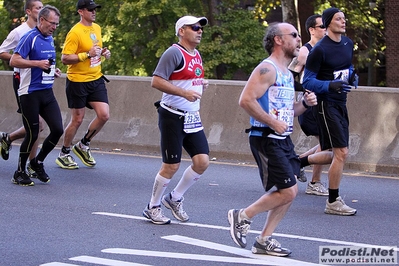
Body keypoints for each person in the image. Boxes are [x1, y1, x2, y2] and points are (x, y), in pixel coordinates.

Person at [228, 22, 331, 257]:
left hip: (282, 139)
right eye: (293, 35)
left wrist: (304, 104)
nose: (298, 39)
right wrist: (272, 122)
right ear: (278, 40)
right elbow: (246, 100)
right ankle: (242, 215)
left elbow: (286, 112)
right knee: (289, 191)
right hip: (266, 137)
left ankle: (264, 239)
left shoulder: (285, 73)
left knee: (289, 190)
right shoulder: (268, 69)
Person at [142, 15, 209, 225]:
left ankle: (174, 198)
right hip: (172, 115)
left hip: (192, 117)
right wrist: (183, 93)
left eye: (201, 28)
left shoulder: (196, 54)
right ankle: (152, 207)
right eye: (195, 27)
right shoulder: (173, 52)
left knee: (202, 161)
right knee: (171, 165)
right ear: (182, 31)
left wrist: (199, 84)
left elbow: (187, 79)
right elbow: (156, 81)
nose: (200, 31)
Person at [302, 7, 358, 215]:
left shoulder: (348, 43)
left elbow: (347, 67)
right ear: (327, 23)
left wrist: (352, 76)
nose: (343, 22)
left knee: (334, 153)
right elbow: (307, 80)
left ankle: (296, 162)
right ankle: (333, 202)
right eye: (338, 19)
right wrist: (329, 86)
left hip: (341, 102)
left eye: (344, 18)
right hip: (325, 104)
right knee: (341, 152)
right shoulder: (320, 50)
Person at [9, 4, 63, 186]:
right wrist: (37, 64)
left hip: (46, 92)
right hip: (29, 93)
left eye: (57, 24)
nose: (54, 27)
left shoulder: (50, 38)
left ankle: (37, 162)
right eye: (52, 23)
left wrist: (53, 70)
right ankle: (19, 172)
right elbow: (14, 60)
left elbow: (46, 62)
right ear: (41, 20)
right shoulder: (29, 37)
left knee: (57, 129)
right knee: (32, 132)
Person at [55, 0, 111, 170]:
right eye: (90, 9)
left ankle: (83, 144)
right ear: (81, 11)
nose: (94, 12)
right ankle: (64, 153)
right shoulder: (75, 32)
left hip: (96, 78)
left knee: (104, 115)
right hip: (77, 81)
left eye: (95, 9)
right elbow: (65, 58)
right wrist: (86, 54)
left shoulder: (97, 28)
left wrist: (103, 52)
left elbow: (95, 50)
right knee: (77, 119)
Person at [0, 0, 44, 177]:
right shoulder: (19, 32)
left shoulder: (44, 31)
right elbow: (2, 51)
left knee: (37, 126)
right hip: (22, 80)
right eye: (38, 8)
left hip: (40, 81)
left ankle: (8, 139)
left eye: (43, 8)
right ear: (28, 11)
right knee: (37, 125)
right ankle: (31, 164)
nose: (41, 11)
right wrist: (20, 60)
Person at [289, 14, 330, 196]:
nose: (326, 29)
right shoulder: (306, 51)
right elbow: (290, 76)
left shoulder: (327, 48)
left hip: (326, 102)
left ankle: (297, 162)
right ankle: (313, 181)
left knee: (327, 144)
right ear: (312, 30)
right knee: (327, 144)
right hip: (311, 104)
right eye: (322, 26)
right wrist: (305, 92)